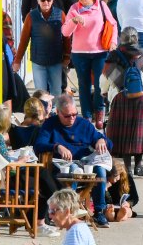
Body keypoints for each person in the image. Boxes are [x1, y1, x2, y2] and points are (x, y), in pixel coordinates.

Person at [35, 94, 113, 226]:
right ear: (58, 112)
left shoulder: (83, 124)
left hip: (84, 162)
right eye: (67, 116)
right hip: (62, 165)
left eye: (74, 114)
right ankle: (69, 210)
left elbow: (109, 144)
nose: (72, 118)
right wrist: (57, 147)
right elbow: (38, 145)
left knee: (100, 170)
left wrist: (101, 140)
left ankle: (99, 212)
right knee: (72, 170)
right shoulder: (50, 124)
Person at [100, 27, 143, 178]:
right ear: (137, 39)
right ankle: (138, 166)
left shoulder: (114, 56)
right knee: (140, 132)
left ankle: (126, 167)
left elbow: (104, 82)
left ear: (121, 39)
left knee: (123, 134)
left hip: (120, 99)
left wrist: (104, 92)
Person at [62, 0, 118, 128]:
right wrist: (74, 21)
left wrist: (113, 42)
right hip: (80, 53)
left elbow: (112, 24)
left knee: (100, 85)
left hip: (99, 52)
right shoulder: (74, 8)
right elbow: (65, 32)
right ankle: (86, 115)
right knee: (84, 85)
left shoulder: (100, 5)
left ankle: (99, 112)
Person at [12, 0, 69, 95]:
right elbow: (24, 40)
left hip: (56, 60)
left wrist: (67, 56)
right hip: (38, 60)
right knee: (40, 92)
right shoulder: (31, 16)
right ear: (38, 0)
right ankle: (43, 111)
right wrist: (17, 60)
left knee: (56, 91)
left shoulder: (60, 14)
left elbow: (66, 37)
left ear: (53, 0)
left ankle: (54, 111)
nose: (46, 2)